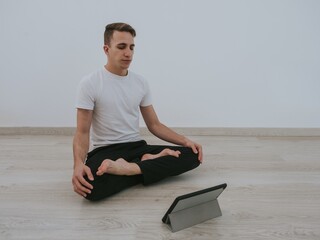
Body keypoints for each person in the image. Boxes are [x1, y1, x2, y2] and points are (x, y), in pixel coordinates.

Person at [72, 22, 203, 201]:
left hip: (137, 147)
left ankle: (129, 168)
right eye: (121, 47)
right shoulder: (90, 83)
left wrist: (186, 141)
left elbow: (154, 125)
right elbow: (82, 132)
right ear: (106, 49)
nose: (128, 53)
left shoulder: (140, 83)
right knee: (89, 188)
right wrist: (78, 164)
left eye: (132, 47)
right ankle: (146, 164)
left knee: (193, 155)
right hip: (105, 151)